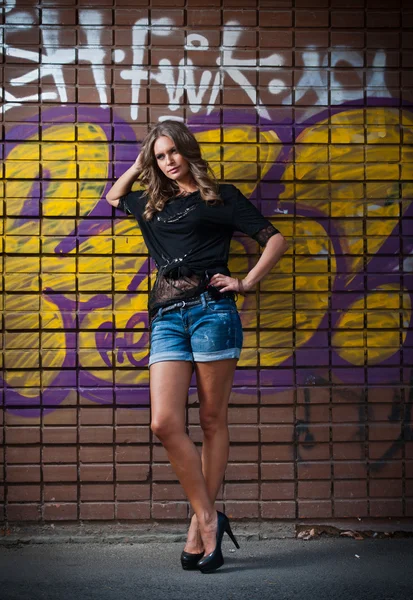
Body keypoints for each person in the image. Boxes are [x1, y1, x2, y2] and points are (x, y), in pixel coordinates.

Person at [106, 120, 288, 573]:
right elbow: (112, 197)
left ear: (188, 151)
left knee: (211, 420)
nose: (168, 162)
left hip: (213, 312)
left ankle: (196, 531)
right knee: (164, 422)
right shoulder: (152, 205)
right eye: (159, 156)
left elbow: (275, 239)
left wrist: (244, 282)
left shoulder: (219, 196)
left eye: (172, 152)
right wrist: (138, 162)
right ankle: (209, 516)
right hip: (166, 318)